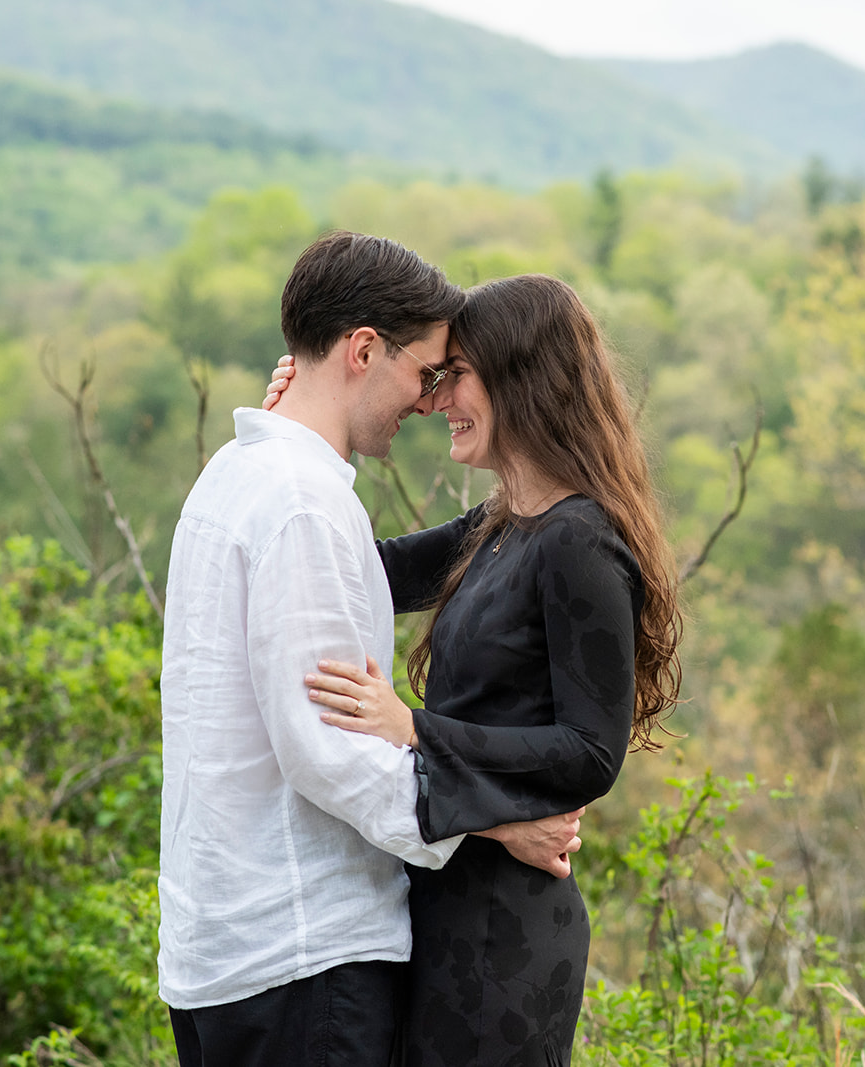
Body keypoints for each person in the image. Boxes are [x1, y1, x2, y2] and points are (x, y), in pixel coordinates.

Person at [159, 233, 581, 1067]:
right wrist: (501, 822)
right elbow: (330, 754)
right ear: (361, 349)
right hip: (304, 954)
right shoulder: (302, 504)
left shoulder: (231, 476)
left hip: (222, 950)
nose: (428, 401)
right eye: (425, 372)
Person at [266, 273, 682, 1065]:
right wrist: (296, 427)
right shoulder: (500, 522)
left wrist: (412, 727)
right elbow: (360, 569)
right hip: (441, 905)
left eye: (456, 373)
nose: (436, 397)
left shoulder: (579, 540)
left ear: (521, 375)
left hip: (505, 939)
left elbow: (591, 754)